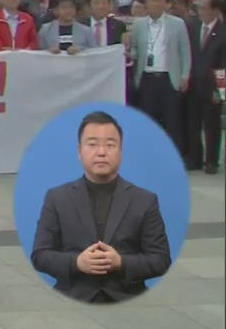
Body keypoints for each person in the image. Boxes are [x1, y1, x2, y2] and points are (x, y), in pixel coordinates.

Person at [30, 111, 171, 303]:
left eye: (110, 145)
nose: (101, 152)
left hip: (127, 299)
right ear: (79, 151)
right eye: (93, 144)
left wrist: (121, 263)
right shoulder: (57, 198)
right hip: (72, 298)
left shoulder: (144, 200)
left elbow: (160, 260)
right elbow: (40, 256)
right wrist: (76, 262)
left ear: (120, 151)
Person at [130, 0, 193, 153]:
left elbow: (185, 52)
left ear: (166, 3)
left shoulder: (177, 23)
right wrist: (128, 51)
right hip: (146, 77)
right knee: (148, 121)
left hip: (169, 77)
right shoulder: (138, 24)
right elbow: (135, 50)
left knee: (173, 121)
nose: (155, 3)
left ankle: (174, 158)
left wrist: (185, 75)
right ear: (146, 4)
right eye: (152, 0)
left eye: (159, 0)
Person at [184, 0, 224, 174]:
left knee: (212, 125)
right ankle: (195, 159)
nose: (201, 12)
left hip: (212, 86)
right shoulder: (192, 27)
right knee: (192, 123)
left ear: (215, 10)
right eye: (199, 8)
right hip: (193, 84)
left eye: (204, 9)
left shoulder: (223, 31)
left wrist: (220, 90)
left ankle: (212, 161)